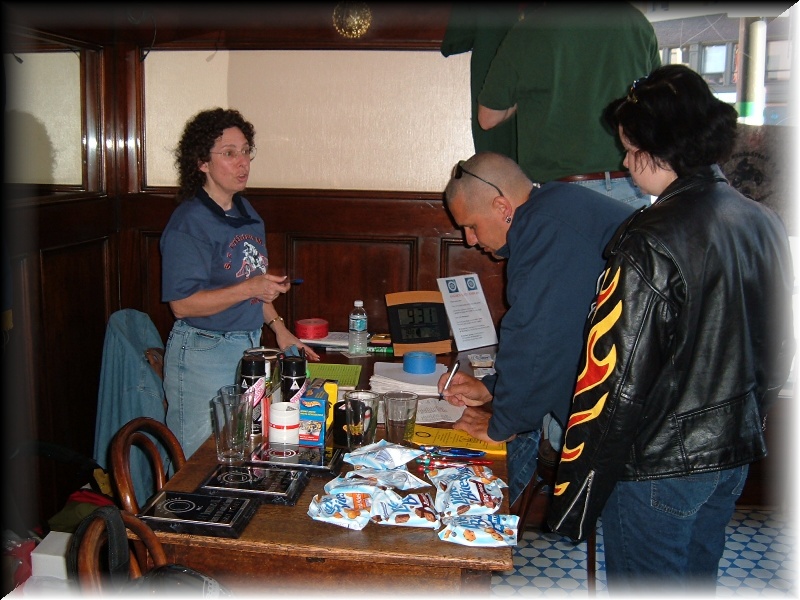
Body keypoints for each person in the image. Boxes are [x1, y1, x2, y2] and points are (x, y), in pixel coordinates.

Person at [547, 65, 795, 595]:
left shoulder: (649, 240)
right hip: (731, 453)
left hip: (658, 465)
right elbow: (779, 348)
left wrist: (578, 490)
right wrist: (747, 421)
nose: (623, 160)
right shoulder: (762, 221)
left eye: (629, 147)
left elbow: (613, 382)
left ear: (656, 148)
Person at [438, 151, 635, 507]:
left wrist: (501, 424)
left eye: (472, 225)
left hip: (645, 433)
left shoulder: (543, 229)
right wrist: (489, 388)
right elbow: (564, 333)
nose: (468, 239)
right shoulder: (556, 209)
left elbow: (538, 339)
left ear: (502, 207)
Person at [161, 107, 319, 459]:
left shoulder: (247, 213)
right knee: (197, 461)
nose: (242, 162)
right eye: (229, 153)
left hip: (247, 349)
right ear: (202, 162)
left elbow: (254, 284)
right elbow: (183, 305)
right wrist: (250, 289)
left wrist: (278, 328)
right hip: (202, 352)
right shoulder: (190, 222)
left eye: (246, 151)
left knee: (239, 452)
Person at [477, 2, 661, 208]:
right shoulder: (637, 24)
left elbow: (488, 118)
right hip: (630, 188)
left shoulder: (530, 29)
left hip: (559, 194)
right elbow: (657, 108)